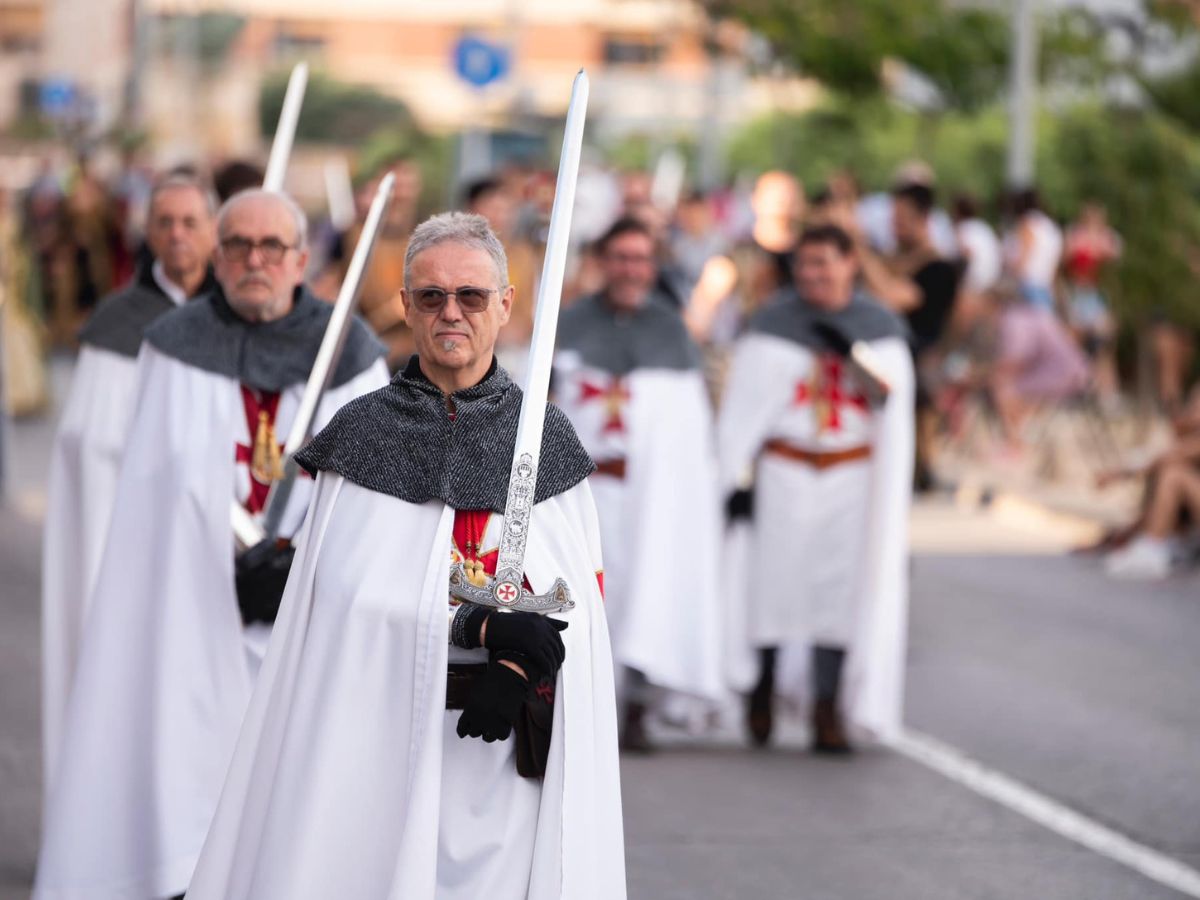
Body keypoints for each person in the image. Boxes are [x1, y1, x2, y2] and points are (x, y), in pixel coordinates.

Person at [185, 212, 625, 900]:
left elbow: (581, 605)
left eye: (472, 296)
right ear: (406, 306)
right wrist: (473, 627)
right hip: (379, 739)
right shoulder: (361, 436)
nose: (452, 312)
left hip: (509, 749)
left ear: (505, 305)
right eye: (431, 296)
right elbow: (338, 608)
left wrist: (525, 655)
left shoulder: (546, 438)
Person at [34, 189, 389, 900]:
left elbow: (375, 499)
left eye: (271, 248)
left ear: (299, 260)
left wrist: (295, 560)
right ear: (218, 259)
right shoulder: (175, 348)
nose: (254, 261)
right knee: (191, 764)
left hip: (307, 610)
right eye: (238, 247)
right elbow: (155, 500)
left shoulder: (349, 354)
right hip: (194, 609)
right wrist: (213, 555)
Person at [41, 173, 221, 797]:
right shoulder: (123, 321)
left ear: (214, 230)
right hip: (138, 538)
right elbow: (89, 444)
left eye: (190, 221)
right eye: (165, 222)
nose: (178, 235)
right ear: (148, 233)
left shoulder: (242, 317)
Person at [717, 224, 914, 753]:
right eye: (804, 265)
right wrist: (737, 482)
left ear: (851, 263)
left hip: (851, 476)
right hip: (784, 471)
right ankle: (763, 688)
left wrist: (854, 352)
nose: (812, 274)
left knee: (840, 593)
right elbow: (743, 416)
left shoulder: (879, 329)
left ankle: (828, 708)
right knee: (772, 587)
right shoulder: (773, 325)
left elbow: (889, 404)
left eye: (823, 263)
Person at [554, 217, 724, 752]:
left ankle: (637, 707)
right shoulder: (568, 325)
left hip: (650, 495)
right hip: (580, 491)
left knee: (647, 591)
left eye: (641, 258)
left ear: (653, 266)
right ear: (602, 261)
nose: (631, 269)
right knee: (581, 599)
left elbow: (688, 430)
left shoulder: (672, 332)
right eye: (621, 257)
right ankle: (576, 701)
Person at [857, 182, 961, 491]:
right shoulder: (893, 259)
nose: (895, 225)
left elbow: (893, 296)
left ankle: (920, 464)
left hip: (918, 355)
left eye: (902, 218)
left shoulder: (939, 267)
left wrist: (858, 250)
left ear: (923, 218)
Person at [1063, 202, 1122, 406]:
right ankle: (1077, 389)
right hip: (1079, 293)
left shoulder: (1109, 239)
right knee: (1075, 342)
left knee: (1104, 344)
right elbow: (1066, 263)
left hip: (1098, 295)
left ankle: (1107, 391)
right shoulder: (1075, 236)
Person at [1003, 188, 1063, 313]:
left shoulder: (1027, 223)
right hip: (1045, 286)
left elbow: (1025, 254)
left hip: (1028, 285)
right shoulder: (1050, 227)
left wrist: (1011, 274)